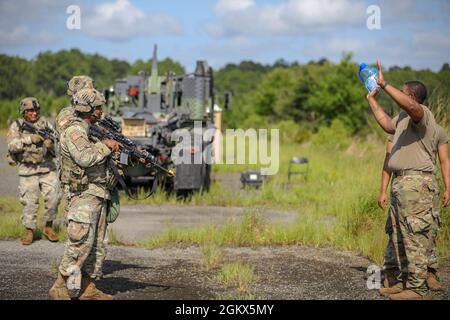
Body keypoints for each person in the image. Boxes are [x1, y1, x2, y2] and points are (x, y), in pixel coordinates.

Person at [366, 60, 447, 299]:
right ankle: (403, 282)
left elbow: (413, 108)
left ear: (411, 97)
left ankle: (418, 288)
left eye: (402, 93)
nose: (398, 96)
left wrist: (385, 83)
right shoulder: (402, 119)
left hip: (416, 184)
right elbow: (386, 124)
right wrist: (372, 100)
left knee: (414, 237)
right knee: (399, 236)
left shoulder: (421, 115)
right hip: (402, 184)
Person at [49, 88, 120, 300]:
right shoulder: (74, 131)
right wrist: (106, 146)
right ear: (88, 109)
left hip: (96, 191)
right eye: (98, 107)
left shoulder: (90, 128)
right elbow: (86, 158)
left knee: (96, 244)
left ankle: (88, 288)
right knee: (79, 242)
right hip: (82, 194)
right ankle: (59, 286)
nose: (101, 111)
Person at [378, 125, 449, 297]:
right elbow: (388, 161)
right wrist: (383, 190)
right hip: (400, 184)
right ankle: (403, 278)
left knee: (426, 231)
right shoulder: (398, 130)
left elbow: (444, 160)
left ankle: (429, 273)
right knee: (398, 232)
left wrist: (448, 187)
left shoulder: (436, 130)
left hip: (424, 186)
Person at [7, 97, 60, 245]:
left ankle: (48, 227)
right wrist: (29, 139)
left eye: (36, 110)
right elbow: (12, 146)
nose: (34, 113)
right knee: (29, 201)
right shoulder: (17, 126)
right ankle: (29, 231)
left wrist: (50, 145)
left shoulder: (46, 125)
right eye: (30, 111)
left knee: (54, 198)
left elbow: (58, 148)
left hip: (47, 167)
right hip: (27, 169)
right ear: (24, 112)